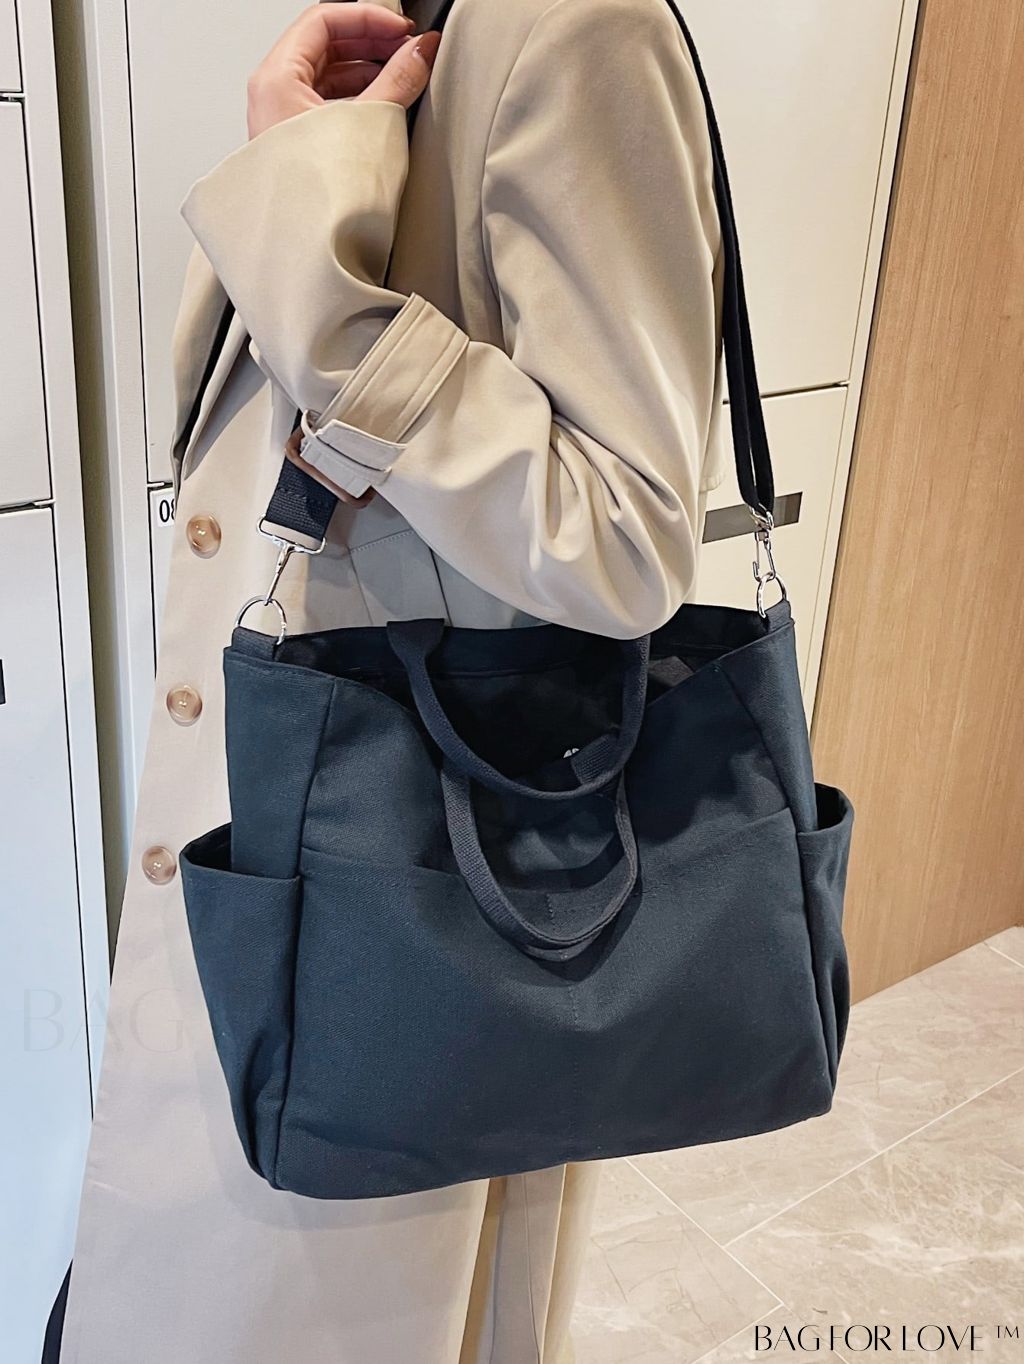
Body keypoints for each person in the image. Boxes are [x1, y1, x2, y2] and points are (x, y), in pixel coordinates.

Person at [56, 1, 728, 1360]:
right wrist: (310, 167)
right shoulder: (417, 32)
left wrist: (313, 250)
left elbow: (628, 533)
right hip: (304, 855)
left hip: (413, 906)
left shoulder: (578, 27)